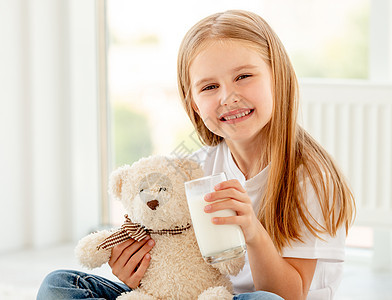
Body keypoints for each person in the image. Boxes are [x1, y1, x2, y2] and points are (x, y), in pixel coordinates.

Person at [37, 10, 355, 300]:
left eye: (243, 76)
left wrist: (253, 231)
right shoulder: (198, 167)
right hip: (199, 294)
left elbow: (290, 296)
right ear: (194, 104)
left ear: (278, 76)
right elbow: (172, 257)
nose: (228, 96)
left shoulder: (311, 177)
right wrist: (136, 272)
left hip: (258, 297)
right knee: (59, 285)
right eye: (209, 87)